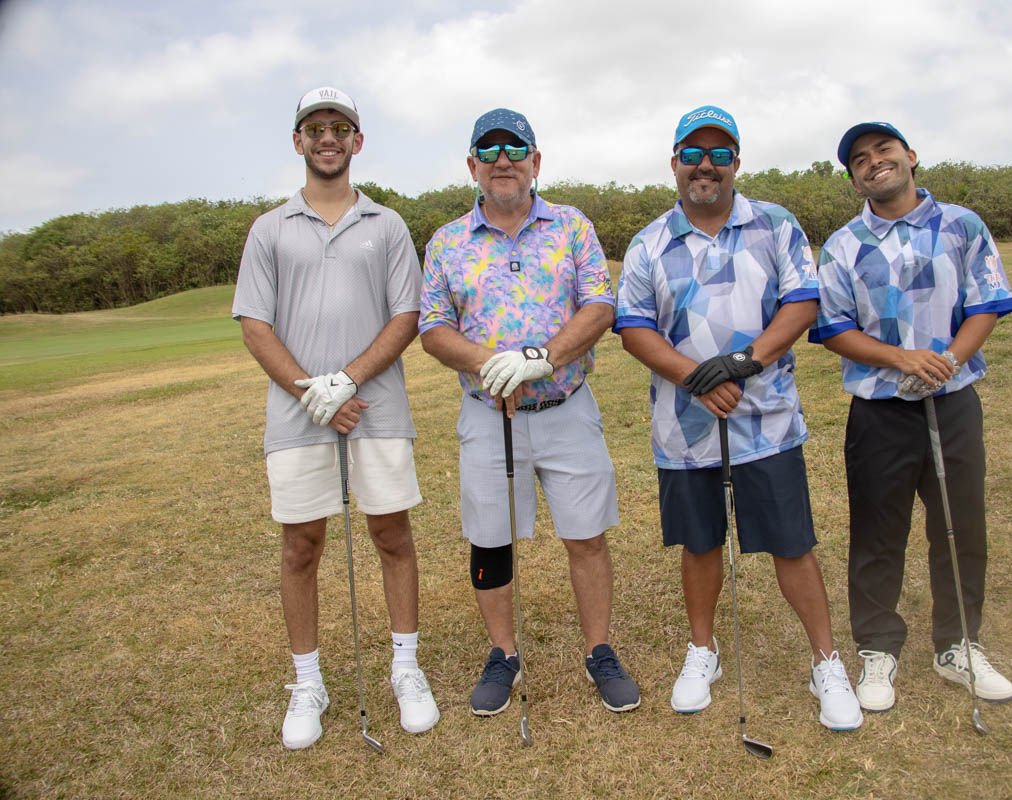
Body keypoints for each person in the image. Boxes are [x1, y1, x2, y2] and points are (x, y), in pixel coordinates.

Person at [615, 105, 862, 731]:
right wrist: (695, 378)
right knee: (700, 543)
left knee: (791, 543)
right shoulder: (648, 242)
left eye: (720, 154)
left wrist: (741, 364)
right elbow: (634, 327)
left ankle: (826, 661)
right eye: (693, 154)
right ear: (674, 163)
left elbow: (801, 302)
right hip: (685, 426)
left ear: (736, 163)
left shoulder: (775, 224)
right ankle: (703, 651)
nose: (706, 165)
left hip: (767, 421)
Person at [232, 86, 438, 749]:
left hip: (376, 409)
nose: (328, 138)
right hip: (297, 416)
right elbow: (255, 325)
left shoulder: (387, 224)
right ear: (298, 141)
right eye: (316, 128)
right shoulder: (270, 228)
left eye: (340, 128)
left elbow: (406, 316)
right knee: (301, 546)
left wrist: (347, 380)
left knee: (392, 535)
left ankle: (405, 668)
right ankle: (308, 683)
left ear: (357, 141)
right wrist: (310, 391)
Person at [419, 108, 639, 717]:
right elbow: (433, 327)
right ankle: (503, 654)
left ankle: (599, 651)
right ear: (472, 166)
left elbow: (600, 305)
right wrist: (492, 364)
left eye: (515, 149)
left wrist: (540, 358)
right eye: (489, 152)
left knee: (585, 534)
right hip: (489, 415)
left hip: (567, 406)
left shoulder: (571, 226)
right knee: (490, 540)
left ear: (535, 161)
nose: (503, 161)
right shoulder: (446, 242)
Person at [809, 121, 1012, 714]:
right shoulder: (843, 245)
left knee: (960, 524)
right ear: (854, 180)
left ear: (910, 157)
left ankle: (958, 644)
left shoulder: (962, 225)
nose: (874, 162)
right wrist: (903, 358)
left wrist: (947, 362)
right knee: (878, 530)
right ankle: (878, 648)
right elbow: (834, 328)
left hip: (953, 401)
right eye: (860, 160)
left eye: (884, 150)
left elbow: (985, 304)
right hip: (880, 410)